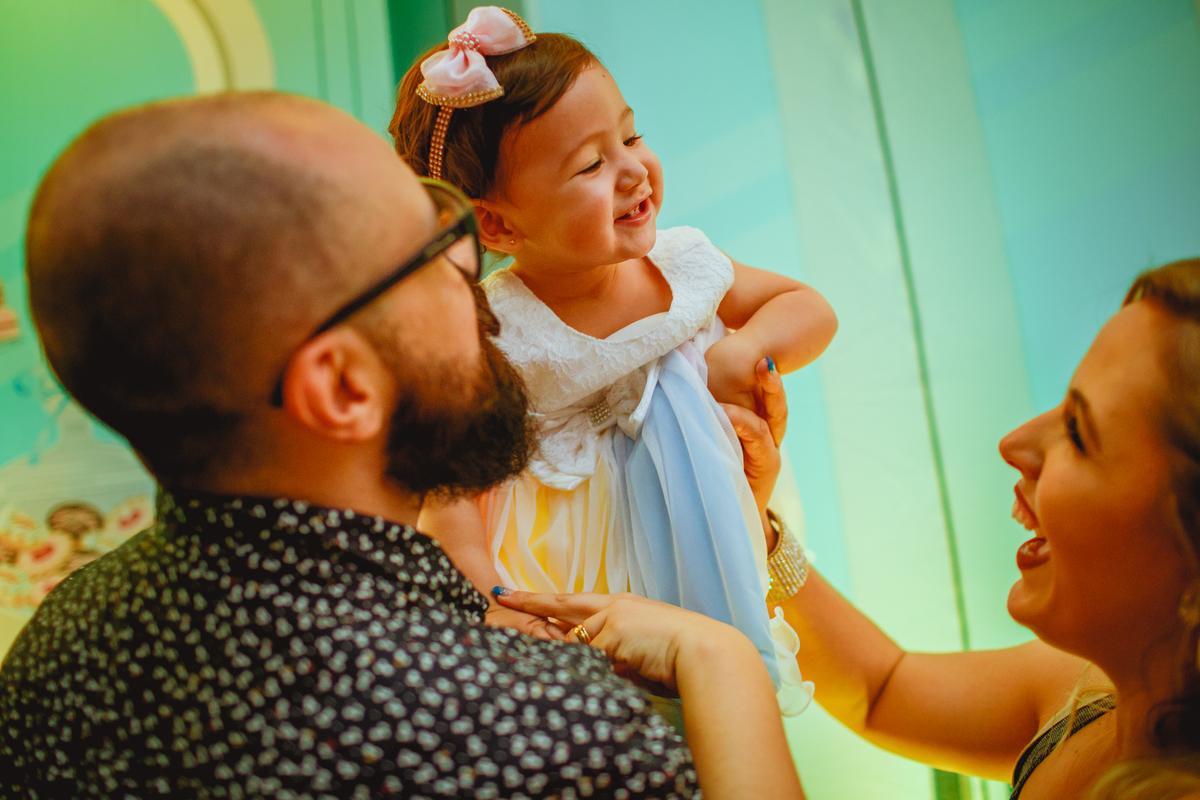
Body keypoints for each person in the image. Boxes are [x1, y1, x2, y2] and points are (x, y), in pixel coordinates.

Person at [0, 90, 804, 799]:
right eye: (434, 252)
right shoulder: (547, 734)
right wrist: (720, 662)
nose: (484, 286)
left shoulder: (56, 649)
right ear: (343, 387)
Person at [499, 257, 1200, 799]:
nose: (1014, 442)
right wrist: (751, 527)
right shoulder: (1086, 694)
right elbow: (880, 688)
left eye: (1078, 432)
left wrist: (713, 657)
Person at [388, 7, 836, 710]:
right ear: (498, 223)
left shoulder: (683, 265)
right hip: (567, 592)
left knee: (716, 707)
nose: (632, 171)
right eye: (592, 165)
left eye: (630, 136)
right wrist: (491, 605)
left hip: (698, 536)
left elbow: (808, 308)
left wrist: (747, 349)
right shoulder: (492, 331)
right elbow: (451, 499)